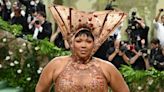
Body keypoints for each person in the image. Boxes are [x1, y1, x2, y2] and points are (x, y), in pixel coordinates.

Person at [36, 5, 129, 92]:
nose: (83, 45)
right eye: (79, 41)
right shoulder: (56, 65)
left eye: (88, 41)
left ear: (94, 44)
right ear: (72, 43)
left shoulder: (107, 68)